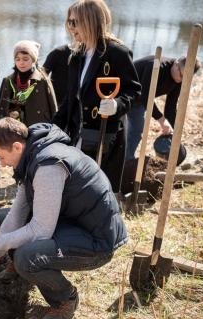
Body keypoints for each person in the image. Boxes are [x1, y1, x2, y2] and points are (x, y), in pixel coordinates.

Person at [0, 117, 128, 319]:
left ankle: (65, 299)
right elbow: (17, 214)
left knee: (27, 258)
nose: (3, 164)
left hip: (97, 239)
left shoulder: (48, 166)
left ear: (16, 146)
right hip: (74, 222)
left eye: (2, 157)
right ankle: (20, 265)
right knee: (2, 218)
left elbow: (41, 230)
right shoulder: (31, 153)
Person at [51, 0, 141, 193]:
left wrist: (117, 105)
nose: (71, 28)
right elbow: (71, 98)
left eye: (75, 22)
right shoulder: (76, 56)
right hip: (78, 132)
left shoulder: (117, 53)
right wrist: (53, 128)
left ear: (90, 21)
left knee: (99, 187)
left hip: (104, 134)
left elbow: (133, 90)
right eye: (69, 22)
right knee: (77, 182)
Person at [125, 55, 202, 159]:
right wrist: (161, 119)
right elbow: (145, 95)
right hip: (123, 93)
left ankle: (126, 160)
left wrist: (172, 130)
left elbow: (171, 106)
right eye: (181, 75)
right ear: (176, 64)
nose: (181, 80)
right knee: (117, 130)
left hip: (139, 102)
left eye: (186, 78)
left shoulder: (179, 80)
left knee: (136, 130)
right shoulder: (156, 66)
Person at [0, 40, 57, 126]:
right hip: (14, 129)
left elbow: (53, 107)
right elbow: (1, 108)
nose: (21, 62)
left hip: (39, 129)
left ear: (33, 60)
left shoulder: (43, 80)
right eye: (17, 59)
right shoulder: (7, 80)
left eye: (25, 59)